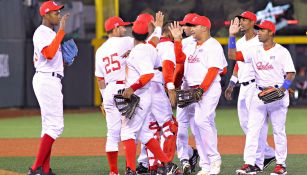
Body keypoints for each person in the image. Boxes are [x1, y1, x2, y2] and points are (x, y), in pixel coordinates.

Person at [228, 19, 296, 175]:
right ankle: (250, 163)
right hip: (258, 94)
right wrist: (232, 36)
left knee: (279, 131)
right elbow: (233, 56)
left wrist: (283, 89)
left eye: (262, 30)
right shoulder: (254, 50)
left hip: (278, 96)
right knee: (253, 130)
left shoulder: (281, 52)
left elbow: (290, 73)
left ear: (271, 32)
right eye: (258, 30)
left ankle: (281, 164)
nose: (258, 32)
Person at [170, 15, 228, 175]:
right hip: (189, 89)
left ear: (204, 27)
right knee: (194, 126)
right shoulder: (190, 44)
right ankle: (206, 164)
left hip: (207, 89)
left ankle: (215, 159)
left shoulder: (213, 45)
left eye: (195, 26)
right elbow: (179, 59)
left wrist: (201, 89)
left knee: (201, 121)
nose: (191, 29)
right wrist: (176, 40)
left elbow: (214, 70)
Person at [121, 20, 178, 175]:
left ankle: (130, 170)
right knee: (144, 133)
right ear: (147, 33)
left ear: (132, 33)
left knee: (127, 132)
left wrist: (131, 89)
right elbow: (154, 41)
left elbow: (148, 75)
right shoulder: (150, 47)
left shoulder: (140, 51)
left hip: (138, 96)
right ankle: (167, 164)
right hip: (146, 95)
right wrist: (158, 27)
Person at [224, 11, 276, 171]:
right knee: (245, 124)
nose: (241, 22)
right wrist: (232, 83)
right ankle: (268, 153)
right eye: (240, 19)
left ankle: (257, 161)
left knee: (256, 126)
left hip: (256, 86)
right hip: (243, 86)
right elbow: (237, 64)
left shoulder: (260, 41)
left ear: (253, 22)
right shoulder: (239, 42)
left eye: (245, 20)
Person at [28, 1, 69, 175]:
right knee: (56, 127)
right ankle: (36, 168)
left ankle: (45, 169)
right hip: (47, 80)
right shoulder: (42, 32)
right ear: (45, 14)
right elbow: (49, 53)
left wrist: (65, 61)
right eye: (55, 12)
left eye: (59, 12)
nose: (58, 15)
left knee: (48, 127)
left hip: (49, 78)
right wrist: (61, 31)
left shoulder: (49, 33)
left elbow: (48, 58)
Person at [95, 16, 133, 175]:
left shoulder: (100, 50)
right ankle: (130, 169)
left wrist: (105, 98)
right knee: (128, 130)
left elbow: (100, 79)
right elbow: (145, 42)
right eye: (122, 27)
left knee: (112, 133)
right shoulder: (125, 41)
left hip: (109, 90)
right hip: (123, 89)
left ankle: (113, 171)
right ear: (116, 28)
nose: (125, 29)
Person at [174, 12, 200, 175]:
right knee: (180, 127)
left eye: (187, 25)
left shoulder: (206, 43)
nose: (184, 27)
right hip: (184, 90)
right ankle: (185, 158)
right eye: (184, 25)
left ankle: (206, 160)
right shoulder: (181, 43)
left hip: (199, 92)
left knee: (200, 127)